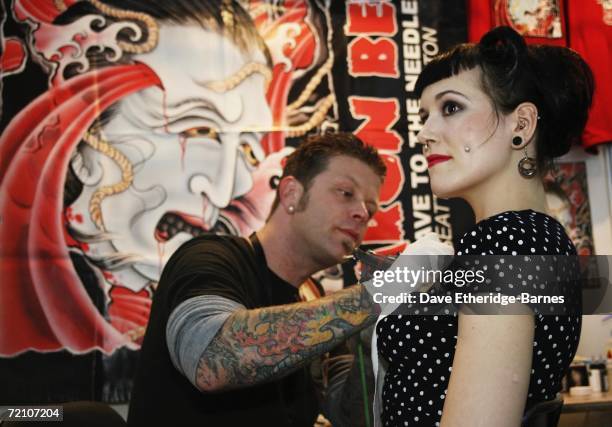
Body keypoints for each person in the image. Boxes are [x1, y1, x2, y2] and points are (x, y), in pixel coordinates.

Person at [374, 26, 592, 426]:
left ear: (521, 125)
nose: (424, 134)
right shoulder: (533, 235)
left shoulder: (506, 241)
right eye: (424, 116)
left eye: (451, 108)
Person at [127, 132, 391, 426]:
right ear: (291, 193)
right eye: (345, 193)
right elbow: (211, 360)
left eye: (372, 208)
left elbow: (347, 415)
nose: (362, 213)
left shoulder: (317, 298)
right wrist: (374, 297)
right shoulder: (211, 258)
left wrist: (375, 341)